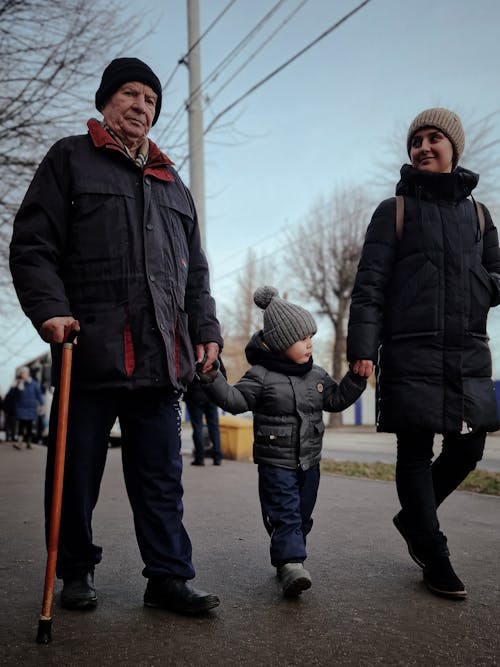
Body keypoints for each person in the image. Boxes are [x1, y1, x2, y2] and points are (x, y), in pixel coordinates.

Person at [10, 58, 223, 615]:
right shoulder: (70, 159)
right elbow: (35, 245)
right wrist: (50, 312)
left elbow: (194, 271)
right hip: (91, 350)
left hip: (160, 356)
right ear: (107, 101)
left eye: (150, 99)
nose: (141, 106)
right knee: (75, 472)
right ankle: (75, 570)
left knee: (161, 477)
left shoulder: (171, 180)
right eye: (130, 94)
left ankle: (169, 577)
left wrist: (206, 332)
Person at [347, 108, 500, 600]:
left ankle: (414, 515)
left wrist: (479, 285)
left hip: (468, 351)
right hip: (410, 349)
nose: (424, 148)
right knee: (414, 451)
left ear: (454, 148)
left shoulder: (479, 215)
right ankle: (433, 551)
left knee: (469, 446)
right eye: (416, 141)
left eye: (434, 138)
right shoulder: (393, 210)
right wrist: (362, 348)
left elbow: (498, 276)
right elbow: (368, 286)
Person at [199, 286, 366, 598]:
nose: (309, 344)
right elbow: (234, 400)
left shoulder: (316, 372)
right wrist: (212, 377)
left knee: (301, 515)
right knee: (287, 513)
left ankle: (288, 551)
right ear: (280, 344)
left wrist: (355, 380)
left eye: (310, 337)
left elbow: (335, 399)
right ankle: (291, 563)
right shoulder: (260, 375)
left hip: (309, 461)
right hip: (276, 462)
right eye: (301, 339)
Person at [184, 365, 224, 466]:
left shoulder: (192, 353)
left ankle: (200, 458)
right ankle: (217, 457)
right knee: (214, 426)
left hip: (195, 396)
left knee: (198, 427)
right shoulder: (213, 351)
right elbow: (222, 371)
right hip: (211, 395)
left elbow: (185, 373)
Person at [11, 366, 44, 449]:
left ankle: (28, 443)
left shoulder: (34, 384)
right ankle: (19, 443)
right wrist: (15, 387)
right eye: (22, 373)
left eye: (24, 373)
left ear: (28, 373)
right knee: (21, 426)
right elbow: (13, 396)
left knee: (29, 426)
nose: (23, 375)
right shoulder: (19, 384)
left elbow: (39, 395)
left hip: (31, 408)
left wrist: (42, 404)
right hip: (21, 408)